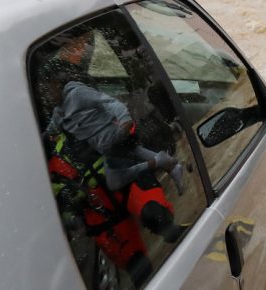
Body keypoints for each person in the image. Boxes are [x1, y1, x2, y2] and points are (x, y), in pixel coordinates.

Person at [41, 59, 187, 287]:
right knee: (139, 270)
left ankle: (163, 167)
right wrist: (72, 210)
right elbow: (57, 198)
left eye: (48, 87)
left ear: (57, 84)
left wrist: (124, 124)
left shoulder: (78, 97)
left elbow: (112, 106)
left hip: (127, 177)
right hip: (98, 209)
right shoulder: (48, 138)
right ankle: (162, 163)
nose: (47, 95)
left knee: (161, 222)